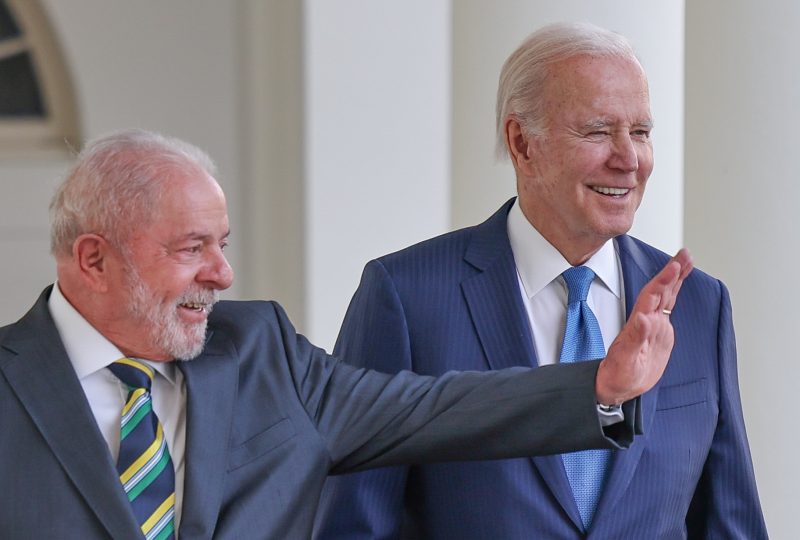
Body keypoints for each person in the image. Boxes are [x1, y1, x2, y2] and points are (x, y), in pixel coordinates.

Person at [0, 128, 690, 539]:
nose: (223, 272)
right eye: (190, 249)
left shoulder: (258, 349)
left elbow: (430, 409)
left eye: (223, 243)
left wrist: (598, 387)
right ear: (92, 259)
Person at [315, 22, 766, 540]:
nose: (628, 159)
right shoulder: (405, 297)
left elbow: (732, 525)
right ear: (522, 143)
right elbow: (351, 526)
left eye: (640, 132)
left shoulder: (699, 304)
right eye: (598, 131)